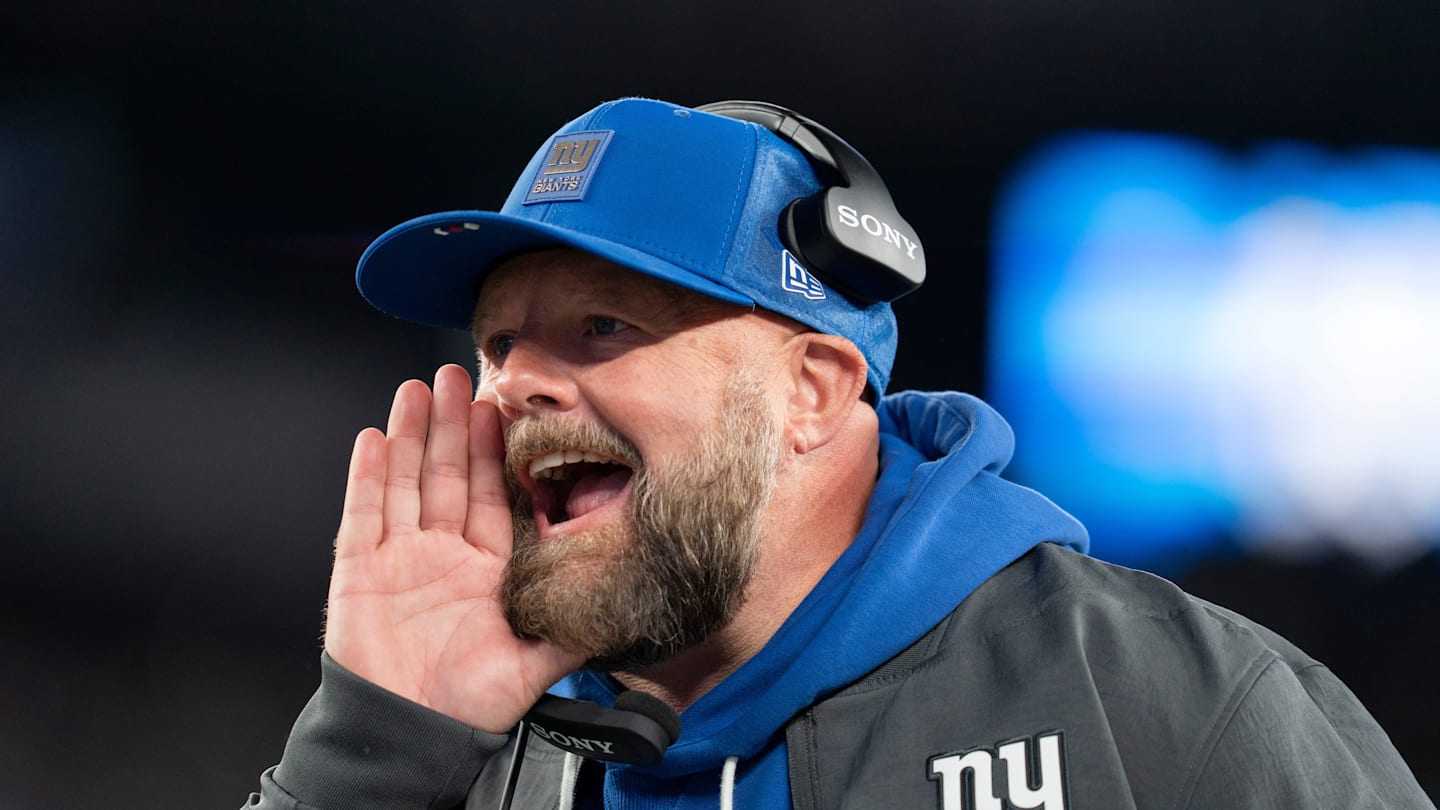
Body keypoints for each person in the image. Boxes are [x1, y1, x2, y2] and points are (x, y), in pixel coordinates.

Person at [246, 97, 1432, 810]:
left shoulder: (1150, 695)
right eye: (499, 344)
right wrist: (372, 756)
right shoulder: (465, 745)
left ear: (813, 391)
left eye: (603, 327)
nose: (514, 386)